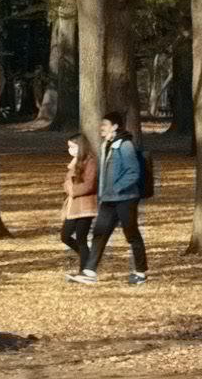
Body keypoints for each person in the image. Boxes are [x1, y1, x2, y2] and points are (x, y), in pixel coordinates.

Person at [69, 111, 148, 286]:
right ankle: (89, 272)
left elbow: (133, 172)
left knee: (132, 234)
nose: (101, 128)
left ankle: (141, 272)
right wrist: (104, 193)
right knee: (99, 233)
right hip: (108, 200)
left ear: (114, 127)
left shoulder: (125, 145)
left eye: (104, 125)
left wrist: (117, 188)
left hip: (126, 199)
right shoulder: (106, 145)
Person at [59, 135, 99, 271]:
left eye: (73, 147)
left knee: (81, 238)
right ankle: (87, 259)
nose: (71, 150)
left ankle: (85, 269)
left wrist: (72, 190)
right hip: (73, 205)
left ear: (81, 146)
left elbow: (89, 185)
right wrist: (69, 188)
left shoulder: (91, 162)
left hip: (85, 205)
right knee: (65, 236)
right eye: (69, 147)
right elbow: (67, 181)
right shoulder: (75, 163)